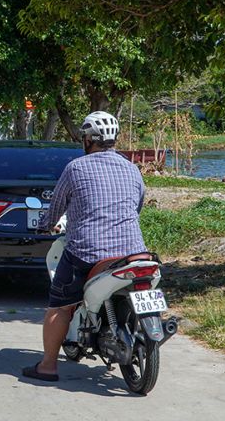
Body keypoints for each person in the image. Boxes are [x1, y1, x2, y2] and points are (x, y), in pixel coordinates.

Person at [22, 111, 148, 382]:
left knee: (60, 307)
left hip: (88, 253)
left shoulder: (76, 168)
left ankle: (47, 366)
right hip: (133, 252)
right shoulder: (131, 168)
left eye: (84, 137)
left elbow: (56, 208)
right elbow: (138, 205)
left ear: (90, 139)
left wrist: (45, 224)